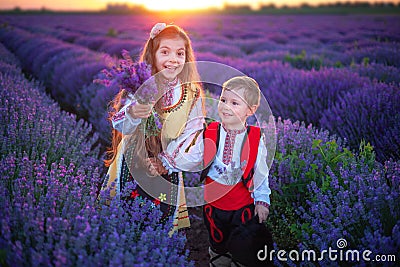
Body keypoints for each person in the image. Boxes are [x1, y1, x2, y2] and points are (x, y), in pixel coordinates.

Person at [156, 76, 273, 266]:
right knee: (217, 245)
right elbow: (194, 157)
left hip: (242, 206)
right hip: (213, 205)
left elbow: (260, 173)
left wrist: (262, 200)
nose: (226, 106)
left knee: (243, 246)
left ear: (250, 110)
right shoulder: (211, 132)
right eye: (223, 100)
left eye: (235, 103)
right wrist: (167, 163)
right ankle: (218, 261)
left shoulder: (255, 138)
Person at [101, 22, 205, 235]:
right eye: (165, 52)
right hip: (132, 162)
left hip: (167, 166)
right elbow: (120, 124)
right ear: (153, 54)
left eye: (180, 53)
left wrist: (166, 162)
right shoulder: (139, 85)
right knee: (125, 222)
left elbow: (193, 137)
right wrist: (133, 113)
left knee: (161, 223)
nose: (173, 59)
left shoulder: (192, 94)